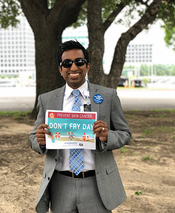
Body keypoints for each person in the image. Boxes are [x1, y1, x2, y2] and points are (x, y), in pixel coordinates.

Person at [29, 40, 131, 213]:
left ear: (88, 66)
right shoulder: (47, 100)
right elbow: (33, 138)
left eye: (79, 62)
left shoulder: (108, 96)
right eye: (67, 63)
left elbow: (125, 134)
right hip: (60, 184)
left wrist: (107, 137)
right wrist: (40, 141)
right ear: (60, 69)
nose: (73, 67)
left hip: (97, 184)